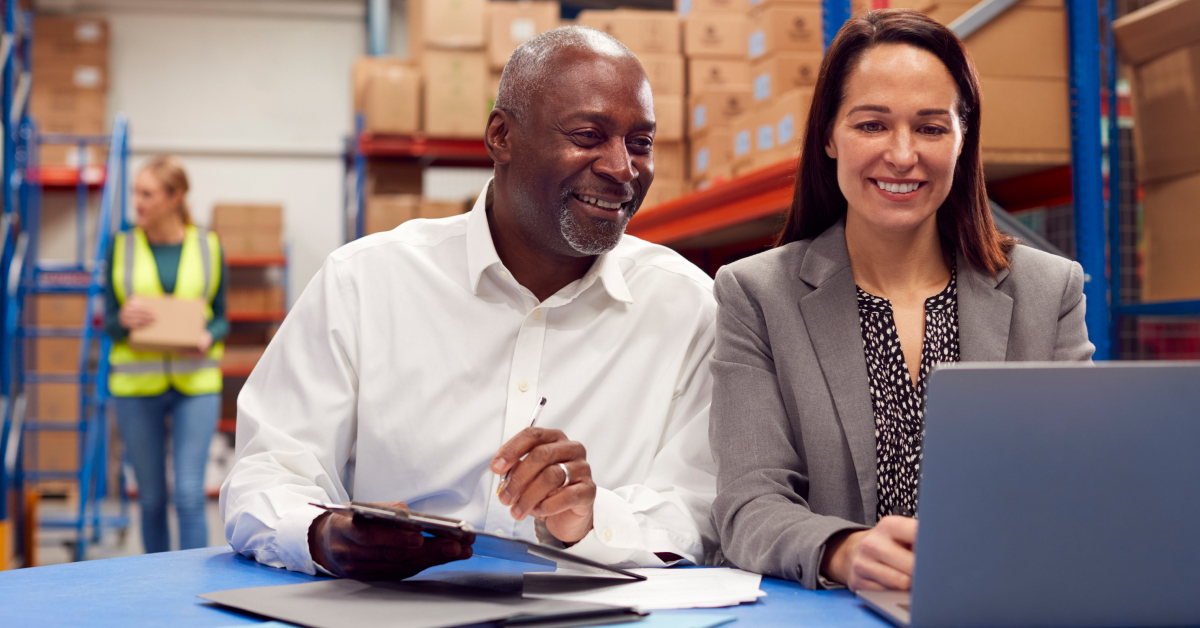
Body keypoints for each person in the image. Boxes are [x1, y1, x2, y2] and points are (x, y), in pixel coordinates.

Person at [220, 26, 718, 581]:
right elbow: (266, 472)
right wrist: (323, 534)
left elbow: (701, 509)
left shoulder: (688, 308)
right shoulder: (364, 282)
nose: (622, 168)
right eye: (588, 135)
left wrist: (591, 520)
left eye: (640, 143)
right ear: (501, 136)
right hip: (393, 609)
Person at [708, 10, 1094, 592]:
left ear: (963, 140)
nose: (902, 154)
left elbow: (1080, 481)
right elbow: (748, 505)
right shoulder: (758, 294)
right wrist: (844, 550)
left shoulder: (1048, 290)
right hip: (841, 612)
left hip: (1005, 599)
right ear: (829, 136)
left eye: (931, 128)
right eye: (872, 125)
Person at [106, 155, 229, 553]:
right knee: (152, 499)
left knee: (190, 495)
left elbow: (222, 317)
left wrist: (209, 335)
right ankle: (158, 584)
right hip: (136, 387)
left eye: (147, 194)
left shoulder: (208, 246)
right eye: (135, 193)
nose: (137, 202)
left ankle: (192, 583)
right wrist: (122, 319)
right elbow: (109, 322)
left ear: (175, 197)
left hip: (196, 382)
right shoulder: (121, 246)